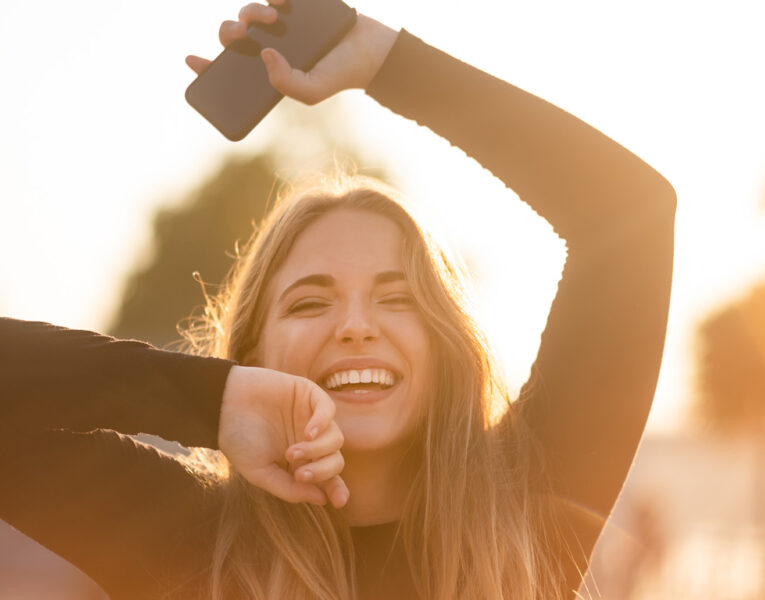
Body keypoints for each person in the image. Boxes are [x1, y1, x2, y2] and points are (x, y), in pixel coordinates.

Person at [0, 1, 676, 598]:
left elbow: (630, 212)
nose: (356, 326)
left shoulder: (525, 511)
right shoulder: (183, 536)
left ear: (445, 342)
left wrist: (386, 60)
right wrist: (210, 401)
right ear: (252, 352)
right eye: (309, 304)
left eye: (397, 298)